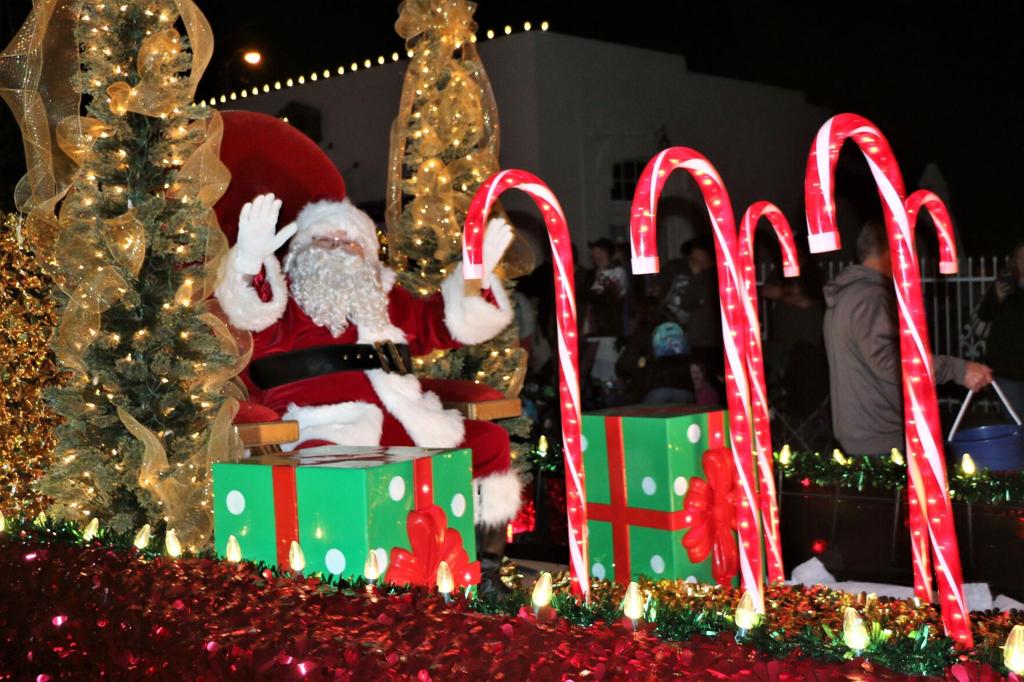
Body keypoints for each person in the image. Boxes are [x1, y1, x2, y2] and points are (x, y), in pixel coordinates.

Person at [215, 193, 521, 594]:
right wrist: (249, 263)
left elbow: (443, 325)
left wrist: (474, 276)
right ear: (300, 250)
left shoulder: (385, 298)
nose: (337, 249)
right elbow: (247, 312)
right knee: (331, 469)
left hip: (404, 421)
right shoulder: (281, 301)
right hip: (320, 427)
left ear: (369, 254)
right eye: (324, 240)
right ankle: (346, 584)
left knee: (489, 442)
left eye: (350, 242)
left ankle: (483, 573)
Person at [823, 220, 993, 455]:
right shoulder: (870, 298)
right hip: (882, 436)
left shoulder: (850, 294)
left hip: (864, 430)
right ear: (892, 251)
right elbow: (892, 364)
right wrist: (958, 369)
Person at [978, 242, 1024, 415]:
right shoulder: (1004, 284)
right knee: (1014, 417)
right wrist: (995, 298)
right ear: (1014, 261)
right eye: (1020, 258)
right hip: (1008, 368)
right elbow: (984, 314)